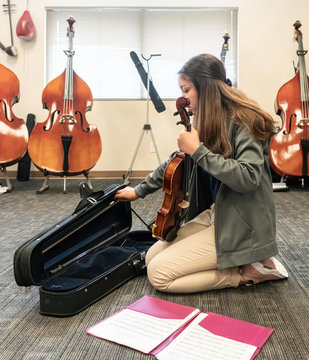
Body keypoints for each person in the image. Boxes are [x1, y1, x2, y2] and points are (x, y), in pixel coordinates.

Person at [115, 53, 288, 293]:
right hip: (218, 214)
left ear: (205, 89)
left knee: (159, 275)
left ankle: (247, 271)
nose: (182, 98)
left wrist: (198, 151)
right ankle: (241, 261)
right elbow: (175, 161)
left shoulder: (244, 120)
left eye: (186, 90)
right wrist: (138, 191)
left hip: (243, 225)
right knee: (150, 257)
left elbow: (248, 178)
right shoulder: (206, 120)